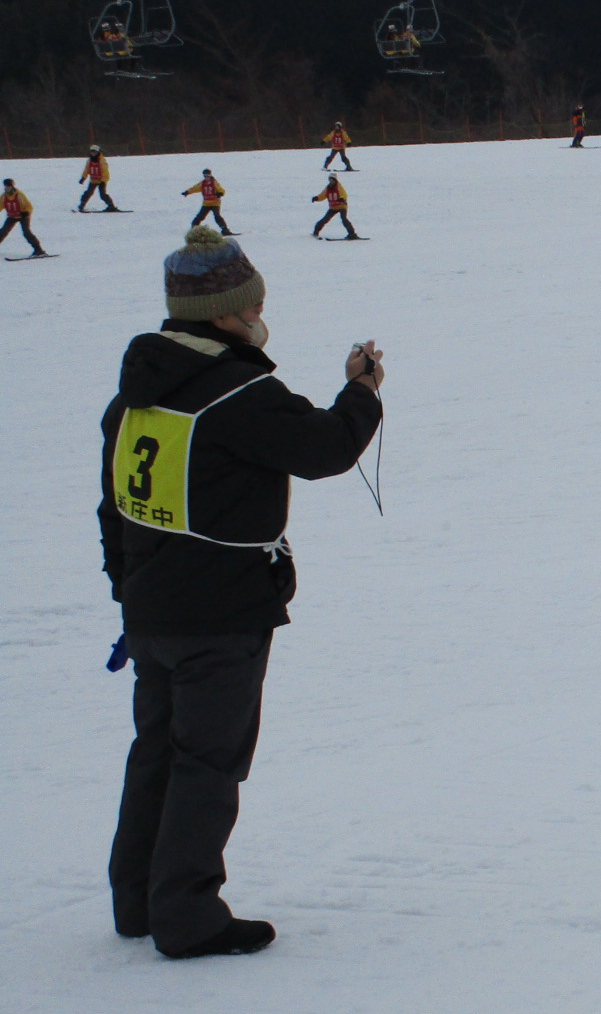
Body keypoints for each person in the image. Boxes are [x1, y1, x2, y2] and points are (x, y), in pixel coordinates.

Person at [98, 227, 384, 958]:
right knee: (207, 762)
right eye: (252, 302)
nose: (262, 313)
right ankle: (187, 917)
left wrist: (127, 594)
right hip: (217, 618)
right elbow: (324, 449)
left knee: (158, 752)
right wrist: (360, 392)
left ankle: (139, 901)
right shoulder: (238, 391)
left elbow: (113, 508)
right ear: (225, 313)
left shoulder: (136, 391)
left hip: (156, 610)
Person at [1, 178, 49, 256]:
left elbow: (28, 206)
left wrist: (26, 212)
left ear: (12, 186)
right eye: (6, 186)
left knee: (27, 233)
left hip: (23, 216)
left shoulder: (19, 195)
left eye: (9, 186)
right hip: (12, 216)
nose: (8, 188)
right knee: (3, 232)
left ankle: (39, 250)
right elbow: (0, 205)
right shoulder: (4, 196)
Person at [182, 169, 235, 234]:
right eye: (205, 176)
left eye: (207, 176)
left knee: (217, 216)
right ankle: (194, 228)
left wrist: (220, 194)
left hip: (215, 203)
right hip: (206, 204)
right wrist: (187, 192)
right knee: (200, 216)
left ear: (210, 175)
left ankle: (225, 230)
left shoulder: (214, 183)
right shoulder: (202, 183)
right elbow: (195, 188)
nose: (206, 178)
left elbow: (221, 190)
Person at [79, 145, 119, 212]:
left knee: (103, 195)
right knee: (88, 193)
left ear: (98, 152)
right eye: (91, 152)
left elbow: (105, 172)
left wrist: (103, 181)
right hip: (93, 180)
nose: (93, 153)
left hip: (101, 181)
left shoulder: (102, 161)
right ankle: (81, 205)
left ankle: (111, 206)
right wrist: (83, 177)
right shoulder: (89, 161)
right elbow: (86, 170)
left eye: (94, 152)